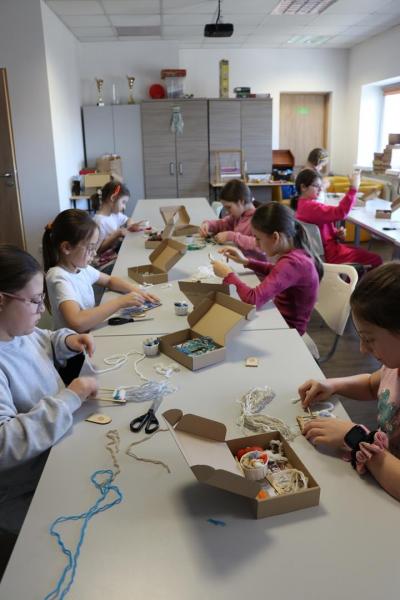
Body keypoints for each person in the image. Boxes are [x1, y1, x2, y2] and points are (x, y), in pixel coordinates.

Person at [0, 244, 98, 535]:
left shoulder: (20, 332)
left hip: (56, 451)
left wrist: (67, 341)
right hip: (25, 489)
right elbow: (4, 445)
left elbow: (46, 338)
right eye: (34, 301)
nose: (42, 309)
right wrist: (70, 398)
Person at [298, 262, 400, 501]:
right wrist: (334, 385)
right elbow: (373, 384)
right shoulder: (394, 365)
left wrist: (356, 438)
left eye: (369, 339)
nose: (363, 349)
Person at [210, 202, 322, 336]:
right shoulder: (296, 254)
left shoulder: (293, 263)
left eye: (258, 239)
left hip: (288, 331)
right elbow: (277, 271)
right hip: (278, 318)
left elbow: (252, 300)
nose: (256, 244)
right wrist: (246, 261)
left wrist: (227, 274)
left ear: (275, 237)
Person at [43, 209, 159, 333]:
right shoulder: (58, 277)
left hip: (88, 335)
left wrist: (137, 291)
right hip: (73, 344)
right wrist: (120, 302)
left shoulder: (80, 268)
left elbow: (109, 280)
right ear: (67, 248)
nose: (94, 253)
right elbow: (77, 322)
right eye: (90, 248)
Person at [293, 169, 382, 268]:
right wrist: (353, 188)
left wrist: (335, 233)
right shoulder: (311, 207)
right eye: (316, 186)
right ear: (303, 187)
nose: (320, 189)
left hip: (325, 251)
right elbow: (340, 212)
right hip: (331, 255)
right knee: (376, 259)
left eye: (321, 186)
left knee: (359, 251)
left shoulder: (303, 205)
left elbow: (319, 231)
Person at [199, 179, 263, 259]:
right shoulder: (238, 215)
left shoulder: (260, 219)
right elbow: (222, 223)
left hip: (252, 264)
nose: (227, 211)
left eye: (229, 207)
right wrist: (208, 225)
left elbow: (260, 245)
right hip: (239, 260)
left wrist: (232, 236)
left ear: (241, 202)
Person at [91, 182, 145, 265]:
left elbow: (128, 219)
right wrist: (117, 234)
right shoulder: (99, 221)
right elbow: (96, 251)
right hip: (103, 263)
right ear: (113, 198)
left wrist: (130, 225)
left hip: (114, 256)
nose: (124, 207)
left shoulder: (114, 214)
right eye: (123, 202)